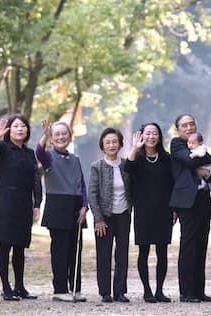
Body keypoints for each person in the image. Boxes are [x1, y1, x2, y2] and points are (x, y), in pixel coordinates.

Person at [0, 114, 43, 302]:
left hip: (24, 203)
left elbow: (36, 179)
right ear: (9, 130)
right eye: (15, 126)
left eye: (23, 126)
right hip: (6, 201)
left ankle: (20, 286)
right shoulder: (2, 148)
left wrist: (37, 204)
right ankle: (6, 287)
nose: (20, 129)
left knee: (20, 247)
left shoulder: (29, 153)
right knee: (5, 246)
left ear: (27, 130)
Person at [36, 120, 88, 302]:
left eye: (63, 133)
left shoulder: (75, 159)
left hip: (76, 207)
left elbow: (82, 185)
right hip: (58, 206)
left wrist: (84, 206)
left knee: (75, 249)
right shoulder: (48, 157)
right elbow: (39, 152)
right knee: (60, 250)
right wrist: (45, 135)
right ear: (52, 137)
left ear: (69, 136)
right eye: (56, 134)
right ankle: (60, 289)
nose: (60, 137)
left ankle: (75, 288)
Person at [169, 113, 211, 303]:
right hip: (186, 201)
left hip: (203, 200)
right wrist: (206, 158)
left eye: (191, 124)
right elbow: (189, 161)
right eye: (184, 125)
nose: (189, 127)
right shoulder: (177, 144)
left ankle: (199, 291)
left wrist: (207, 167)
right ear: (178, 129)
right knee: (189, 245)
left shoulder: (200, 147)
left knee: (201, 245)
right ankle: (187, 292)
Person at [123, 122, 175, 303]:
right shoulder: (136, 157)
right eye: (148, 133)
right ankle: (147, 291)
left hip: (164, 210)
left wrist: (174, 208)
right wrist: (135, 147)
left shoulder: (166, 158)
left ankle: (160, 290)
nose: (151, 137)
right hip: (143, 210)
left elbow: (172, 183)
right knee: (143, 251)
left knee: (162, 251)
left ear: (159, 137)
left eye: (154, 133)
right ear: (142, 136)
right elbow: (127, 168)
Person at [88, 127, 132, 303]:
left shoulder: (126, 165)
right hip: (104, 217)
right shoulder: (96, 166)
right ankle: (105, 292)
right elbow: (92, 194)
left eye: (115, 141)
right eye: (108, 142)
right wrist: (98, 218)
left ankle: (120, 291)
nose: (112, 145)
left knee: (122, 253)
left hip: (124, 214)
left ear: (120, 144)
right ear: (102, 146)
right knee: (104, 254)